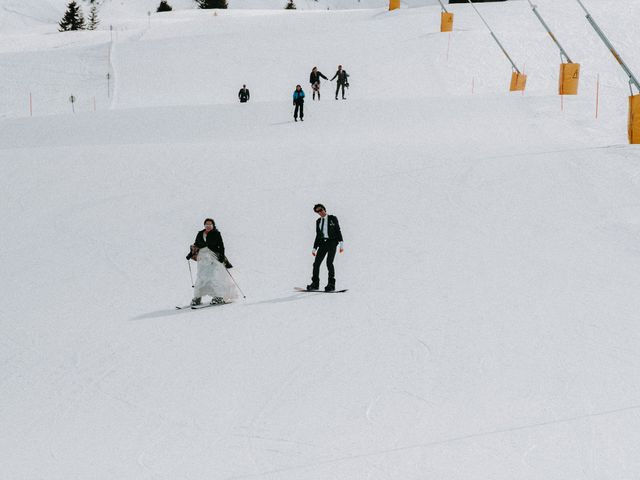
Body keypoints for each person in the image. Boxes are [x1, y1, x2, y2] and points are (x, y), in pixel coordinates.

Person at [189, 218, 238, 306]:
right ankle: (197, 297)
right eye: (206, 225)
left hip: (213, 257)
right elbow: (196, 244)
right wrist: (190, 254)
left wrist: (222, 256)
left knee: (214, 276)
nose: (208, 226)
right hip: (203, 259)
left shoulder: (216, 234)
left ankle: (219, 296)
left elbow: (221, 246)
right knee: (201, 277)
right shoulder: (200, 233)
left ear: (213, 225)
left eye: (210, 225)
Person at [307, 204, 344, 292]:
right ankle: (315, 283)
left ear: (324, 209)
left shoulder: (332, 218)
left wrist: (341, 243)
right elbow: (318, 235)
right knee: (316, 264)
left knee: (329, 263)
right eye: (318, 211)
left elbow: (338, 230)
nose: (320, 212)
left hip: (332, 243)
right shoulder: (318, 221)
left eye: (321, 210)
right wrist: (314, 247)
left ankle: (331, 284)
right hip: (322, 244)